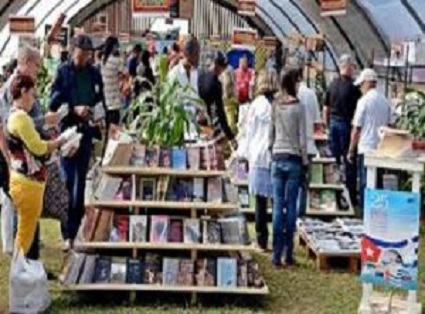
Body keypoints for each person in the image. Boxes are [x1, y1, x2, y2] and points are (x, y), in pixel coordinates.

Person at [0, 45, 59, 258]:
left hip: (26, 162)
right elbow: (12, 125)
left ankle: (29, 257)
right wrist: (47, 126)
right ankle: (21, 257)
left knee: (27, 212)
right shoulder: (13, 89)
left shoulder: (26, 87)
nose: (38, 71)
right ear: (25, 63)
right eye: (36, 67)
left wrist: (47, 130)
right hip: (17, 160)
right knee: (19, 208)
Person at [50, 34, 106, 250]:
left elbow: (100, 99)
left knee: (80, 183)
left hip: (86, 131)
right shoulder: (63, 72)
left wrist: (98, 116)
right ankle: (67, 232)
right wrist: (74, 108)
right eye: (82, 54)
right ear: (74, 51)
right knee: (67, 181)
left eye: (88, 55)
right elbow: (54, 101)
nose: (85, 58)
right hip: (68, 132)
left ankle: (75, 231)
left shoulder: (94, 73)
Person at [269, 69, 307, 268]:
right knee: (291, 206)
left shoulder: (275, 105)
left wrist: (272, 153)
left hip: (277, 156)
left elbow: (270, 135)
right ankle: (288, 253)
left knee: (277, 207)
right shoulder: (299, 107)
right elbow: (302, 139)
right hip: (293, 159)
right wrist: (305, 161)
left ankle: (275, 255)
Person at [347, 69, 393, 213]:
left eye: (361, 84)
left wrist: (350, 150)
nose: (360, 88)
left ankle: (365, 215)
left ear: (367, 83)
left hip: (365, 148)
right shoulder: (385, 101)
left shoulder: (363, 101)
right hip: (380, 149)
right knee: (378, 185)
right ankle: (378, 214)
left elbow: (357, 128)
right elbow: (391, 126)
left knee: (365, 184)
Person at [244, 70, 276, 252]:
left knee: (260, 201)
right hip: (274, 155)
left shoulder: (256, 105)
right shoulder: (277, 104)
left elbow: (250, 132)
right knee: (278, 201)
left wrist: (247, 155)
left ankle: (261, 240)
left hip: (258, 154)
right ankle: (278, 241)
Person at [323, 54, 361, 207]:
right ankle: (351, 195)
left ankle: (334, 194)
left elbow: (325, 108)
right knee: (349, 159)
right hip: (347, 125)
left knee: (334, 160)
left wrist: (326, 125)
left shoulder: (332, 85)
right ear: (349, 67)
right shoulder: (354, 88)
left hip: (333, 123)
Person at [297, 68, 322, 217]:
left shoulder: (287, 95)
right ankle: (301, 216)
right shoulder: (311, 94)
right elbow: (317, 123)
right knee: (304, 184)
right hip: (309, 146)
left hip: (292, 147)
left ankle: (292, 217)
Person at [198, 52, 236, 148]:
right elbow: (221, 113)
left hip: (193, 117)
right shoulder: (217, 85)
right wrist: (230, 137)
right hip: (205, 122)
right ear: (220, 67)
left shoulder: (200, 75)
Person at [100, 36, 125, 131]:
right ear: (115, 46)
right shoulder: (117, 60)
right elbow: (124, 74)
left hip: (105, 101)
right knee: (114, 132)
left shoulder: (103, 59)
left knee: (107, 130)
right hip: (114, 101)